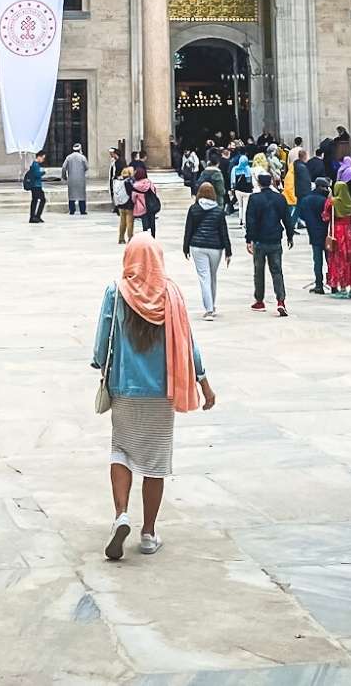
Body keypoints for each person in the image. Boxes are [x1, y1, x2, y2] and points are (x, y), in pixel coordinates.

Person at [91, 236, 215, 561]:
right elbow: (188, 341)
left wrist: (98, 360)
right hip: (162, 390)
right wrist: (204, 381)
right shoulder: (171, 294)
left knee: (121, 450)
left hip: (125, 388)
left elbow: (103, 338)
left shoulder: (115, 291)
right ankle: (148, 533)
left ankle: (121, 515)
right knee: (155, 463)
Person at [245, 172, 293, 316]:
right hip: (275, 239)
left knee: (258, 271)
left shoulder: (254, 199)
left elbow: (250, 221)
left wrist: (249, 239)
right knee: (277, 271)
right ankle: (281, 300)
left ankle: (259, 300)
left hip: (260, 240)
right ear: (271, 182)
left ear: (259, 183)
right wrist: (290, 235)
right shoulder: (280, 198)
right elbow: (287, 218)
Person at [183, 182, 232, 319]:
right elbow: (224, 232)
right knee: (212, 276)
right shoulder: (219, 210)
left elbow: (189, 230)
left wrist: (185, 247)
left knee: (204, 277)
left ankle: (209, 309)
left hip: (197, 246)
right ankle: (212, 305)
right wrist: (228, 251)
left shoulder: (194, 209)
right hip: (215, 247)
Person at [323, 177, 351, 297]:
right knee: (350, 259)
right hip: (348, 232)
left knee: (338, 259)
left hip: (337, 232)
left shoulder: (332, 202)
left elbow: (325, 217)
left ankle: (342, 287)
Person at [301, 178, 331, 294]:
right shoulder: (325, 201)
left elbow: (302, 216)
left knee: (317, 261)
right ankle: (333, 283)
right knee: (330, 260)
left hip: (313, 233)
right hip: (327, 233)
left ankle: (319, 284)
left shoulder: (306, 200)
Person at [62, 142, 89, 216]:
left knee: (71, 196)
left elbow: (64, 167)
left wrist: (64, 176)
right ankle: (82, 211)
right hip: (81, 180)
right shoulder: (82, 157)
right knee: (82, 196)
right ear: (80, 149)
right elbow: (86, 167)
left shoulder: (69, 157)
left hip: (71, 180)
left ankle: (72, 210)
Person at [134, 163, 159, 237]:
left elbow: (133, 197)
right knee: (152, 221)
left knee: (144, 222)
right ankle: (153, 236)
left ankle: (145, 237)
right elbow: (154, 190)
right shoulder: (149, 182)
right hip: (151, 205)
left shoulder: (136, 185)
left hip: (142, 206)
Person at [25, 149, 47, 224]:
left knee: (35, 200)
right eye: (43, 158)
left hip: (36, 185)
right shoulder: (35, 165)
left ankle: (34, 216)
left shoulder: (35, 164)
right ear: (39, 157)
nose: (43, 160)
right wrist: (43, 172)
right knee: (41, 200)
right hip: (36, 186)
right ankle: (36, 216)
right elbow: (37, 174)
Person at [114, 167, 135, 244]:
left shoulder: (118, 181)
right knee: (130, 222)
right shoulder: (129, 181)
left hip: (120, 203)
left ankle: (121, 237)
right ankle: (130, 238)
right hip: (128, 204)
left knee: (122, 222)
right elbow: (131, 193)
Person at [108, 147, 125, 213]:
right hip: (113, 180)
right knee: (113, 193)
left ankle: (118, 207)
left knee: (117, 194)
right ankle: (115, 206)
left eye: (112, 153)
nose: (111, 155)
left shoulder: (120, 161)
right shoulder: (113, 161)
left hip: (118, 180)